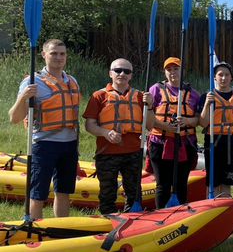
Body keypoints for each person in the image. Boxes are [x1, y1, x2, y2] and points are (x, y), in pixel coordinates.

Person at [9, 39, 80, 218]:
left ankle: (60, 231)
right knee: (37, 194)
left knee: (63, 192)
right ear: (43, 55)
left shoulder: (72, 81)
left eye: (62, 54)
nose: (58, 57)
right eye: (53, 53)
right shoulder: (33, 82)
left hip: (69, 145)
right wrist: (23, 97)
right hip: (44, 144)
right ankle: (33, 232)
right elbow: (14, 118)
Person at [83, 58, 154, 214]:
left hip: (133, 152)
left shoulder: (140, 97)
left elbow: (149, 125)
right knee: (108, 192)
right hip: (107, 153)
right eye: (118, 70)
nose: (122, 74)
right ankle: (108, 221)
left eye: (126, 71)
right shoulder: (98, 96)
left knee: (134, 192)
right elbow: (89, 125)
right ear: (110, 73)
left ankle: (134, 220)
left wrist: (149, 106)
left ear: (131, 76)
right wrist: (105, 133)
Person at [147, 57, 201, 209]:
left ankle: (180, 216)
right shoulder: (155, 90)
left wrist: (187, 121)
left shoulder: (193, 94)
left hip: (184, 144)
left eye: (176, 69)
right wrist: (164, 126)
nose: (172, 72)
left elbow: (199, 119)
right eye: (169, 70)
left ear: (182, 70)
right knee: (162, 185)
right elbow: (149, 119)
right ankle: (161, 216)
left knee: (181, 184)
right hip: (160, 143)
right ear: (164, 72)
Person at [198, 62, 233, 201]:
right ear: (214, 78)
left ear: (231, 77)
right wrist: (207, 104)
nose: (223, 78)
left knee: (227, 181)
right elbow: (202, 123)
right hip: (214, 142)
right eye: (220, 75)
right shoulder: (207, 97)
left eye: (226, 75)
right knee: (213, 180)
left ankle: (224, 207)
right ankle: (209, 207)